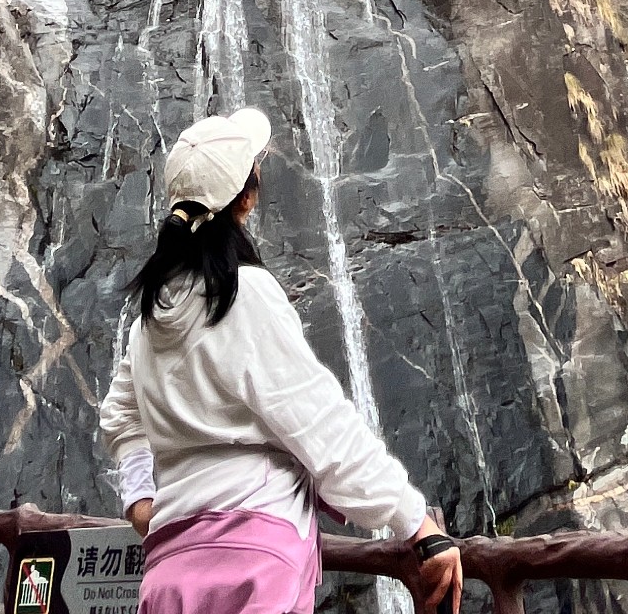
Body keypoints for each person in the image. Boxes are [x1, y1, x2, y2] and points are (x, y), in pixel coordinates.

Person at [100, 108, 463, 614]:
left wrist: (143, 500)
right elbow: (319, 424)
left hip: (172, 567)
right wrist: (414, 521)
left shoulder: (152, 315)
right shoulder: (245, 295)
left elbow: (120, 415)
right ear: (247, 196)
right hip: (255, 559)